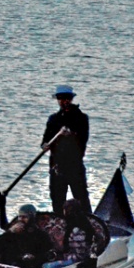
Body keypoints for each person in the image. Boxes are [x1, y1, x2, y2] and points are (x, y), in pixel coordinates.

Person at [41, 84, 91, 216]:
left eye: (67, 98)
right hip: (57, 168)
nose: (64, 102)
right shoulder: (54, 119)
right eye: (61, 99)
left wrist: (71, 135)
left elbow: (82, 139)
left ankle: (89, 226)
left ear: (71, 99)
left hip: (75, 167)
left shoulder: (81, 118)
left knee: (82, 200)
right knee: (57, 202)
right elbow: (45, 140)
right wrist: (45, 145)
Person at [0, 197, 54, 268]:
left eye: (24, 217)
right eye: (20, 216)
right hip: (10, 263)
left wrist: (33, 257)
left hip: (27, 267)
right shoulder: (13, 232)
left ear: (31, 218)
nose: (21, 220)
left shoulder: (40, 235)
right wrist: (10, 232)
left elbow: (47, 253)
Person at [42, 199, 106, 268]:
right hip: (76, 255)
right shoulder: (82, 222)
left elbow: (80, 255)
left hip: (77, 260)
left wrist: (63, 257)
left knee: (46, 267)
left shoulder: (77, 231)